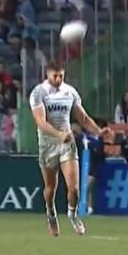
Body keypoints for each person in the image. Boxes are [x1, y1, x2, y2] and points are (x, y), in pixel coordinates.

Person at [29, 61, 109, 237]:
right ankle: (51, 213)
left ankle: (73, 214)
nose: (58, 79)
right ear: (47, 75)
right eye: (54, 76)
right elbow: (40, 122)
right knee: (51, 188)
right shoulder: (38, 92)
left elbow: (83, 118)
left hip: (67, 143)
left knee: (74, 188)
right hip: (48, 144)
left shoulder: (70, 91)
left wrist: (98, 131)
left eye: (61, 76)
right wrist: (58, 134)